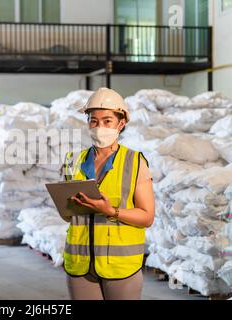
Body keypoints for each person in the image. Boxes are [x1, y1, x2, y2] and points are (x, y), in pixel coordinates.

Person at [62, 87, 155, 300]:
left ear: (121, 124)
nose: (99, 127)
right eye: (93, 121)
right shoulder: (72, 160)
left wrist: (110, 211)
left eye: (107, 121)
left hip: (120, 265)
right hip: (80, 263)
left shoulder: (134, 161)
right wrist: (68, 206)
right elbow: (68, 215)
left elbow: (147, 216)